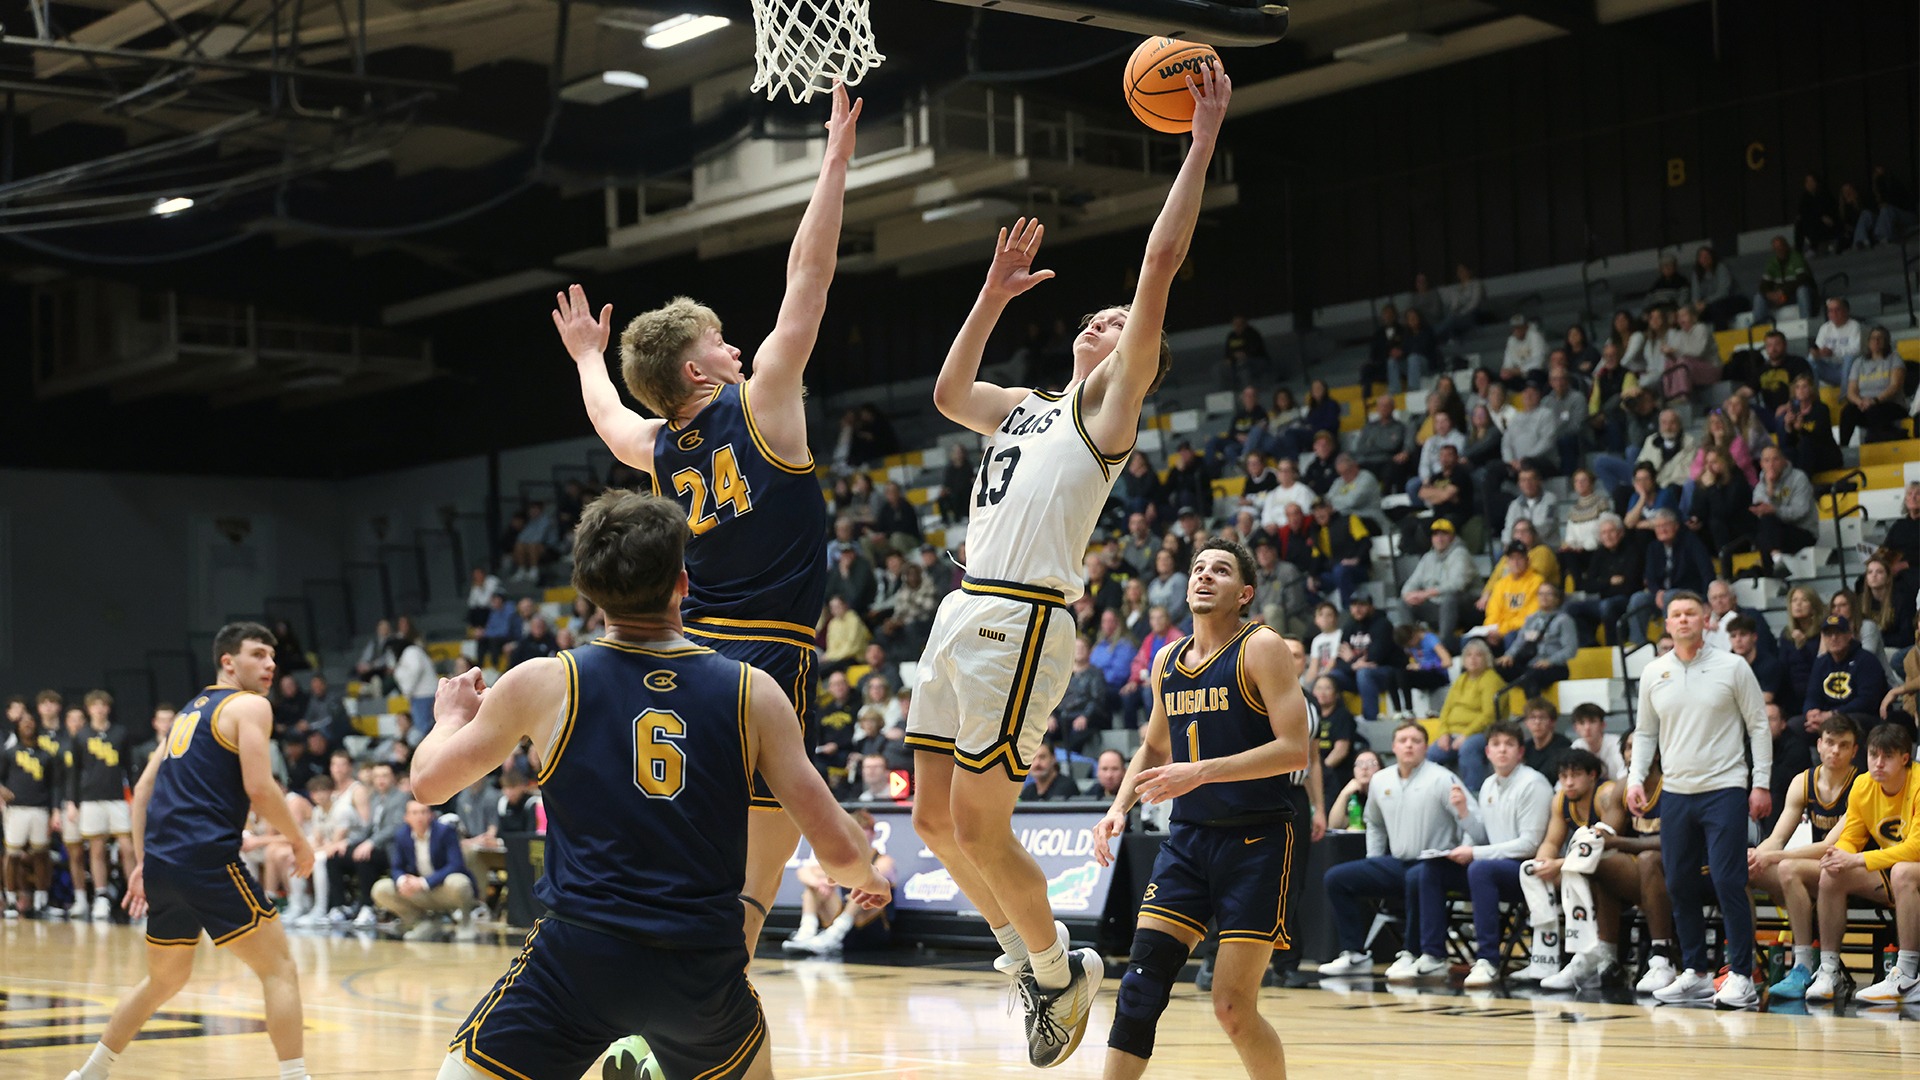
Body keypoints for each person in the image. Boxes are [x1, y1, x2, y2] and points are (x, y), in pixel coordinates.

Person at [910, 67, 1232, 1068]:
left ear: (1134, 355)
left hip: (1023, 618)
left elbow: (1161, 262)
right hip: (961, 613)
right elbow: (948, 389)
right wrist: (992, 294)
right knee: (929, 818)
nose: (1102, 324)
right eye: (1093, 320)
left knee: (977, 815)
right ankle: (1035, 971)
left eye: (1116, 325)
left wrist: (1202, 139)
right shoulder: (1022, 407)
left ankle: (1057, 967)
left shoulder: (1105, 413)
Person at [409, 491, 890, 1080]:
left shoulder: (544, 682)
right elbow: (838, 852)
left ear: (585, 589)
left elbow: (429, 785)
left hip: (580, 957)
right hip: (700, 968)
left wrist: (450, 720)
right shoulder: (753, 692)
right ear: (684, 583)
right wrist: (865, 877)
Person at [551, 85, 862, 962]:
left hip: (689, 656)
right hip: (767, 652)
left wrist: (584, 356)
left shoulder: (657, 448)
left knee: (695, 855)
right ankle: (715, 995)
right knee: (755, 879)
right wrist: (834, 158)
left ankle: (654, 980)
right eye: (722, 342)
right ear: (699, 370)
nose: (737, 347)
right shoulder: (762, 401)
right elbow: (811, 277)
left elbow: (607, 416)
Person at [1091, 538, 1311, 1079]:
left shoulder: (1262, 647)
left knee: (1232, 1007)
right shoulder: (1166, 659)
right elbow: (1154, 745)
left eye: (1220, 570)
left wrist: (1202, 770)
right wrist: (1120, 805)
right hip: (1188, 840)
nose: (1205, 576)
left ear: (1245, 592)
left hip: (1256, 840)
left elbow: (1295, 748)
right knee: (1139, 990)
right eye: (1197, 569)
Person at [63, 623, 316, 1080]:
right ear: (227, 662)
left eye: (272, 657)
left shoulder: (187, 713)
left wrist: (143, 862)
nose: (270, 664)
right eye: (258, 654)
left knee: (164, 980)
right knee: (279, 968)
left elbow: (142, 789)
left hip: (163, 863)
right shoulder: (250, 706)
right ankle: (296, 1077)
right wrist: (298, 840)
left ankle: (89, 1074)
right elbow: (259, 787)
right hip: (207, 859)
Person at [1628, 590, 1772, 1009]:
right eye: (1676, 615)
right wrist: (1636, 779)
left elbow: (1758, 727)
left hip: (1724, 788)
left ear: (1707, 620)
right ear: (1667, 624)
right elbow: (1646, 733)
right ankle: (1695, 972)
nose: (1684, 620)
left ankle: (1742, 976)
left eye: (1692, 613)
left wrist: (1759, 783)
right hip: (1675, 792)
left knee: (1729, 880)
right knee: (1678, 882)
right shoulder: (1654, 672)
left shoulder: (1733, 666)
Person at [1318, 722, 1466, 977]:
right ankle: (1355, 954)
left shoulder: (1442, 778)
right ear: (1394, 747)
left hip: (1436, 864)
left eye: (1416, 740)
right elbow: (1374, 822)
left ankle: (1411, 952)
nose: (1409, 745)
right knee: (1336, 878)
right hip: (1398, 862)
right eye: (1403, 740)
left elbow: (1467, 818)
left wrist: (1464, 851)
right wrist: (1373, 860)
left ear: (1425, 747)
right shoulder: (1380, 780)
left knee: (1417, 876)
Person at [1417, 721, 1553, 988]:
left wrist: (1475, 853)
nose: (1502, 750)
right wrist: (1464, 813)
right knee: (1430, 870)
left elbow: (1529, 844)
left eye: (1509, 745)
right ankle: (1432, 954)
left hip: (1529, 871)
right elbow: (1482, 836)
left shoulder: (1533, 784)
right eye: (1496, 745)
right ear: (1487, 752)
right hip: (1494, 868)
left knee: (1480, 869)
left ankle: (1487, 960)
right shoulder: (1489, 784)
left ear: (1520, 752)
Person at [1803, 722, 1920, 1003]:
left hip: (1908, 867)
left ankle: (1905, 973)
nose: (1878, 764)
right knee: (1833, 873)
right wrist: (1839, 855)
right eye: (1873, 755)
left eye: (1887, 757)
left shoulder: (1918, 783)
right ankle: (1829, 970)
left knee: (1903, 871)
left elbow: (1916, 848)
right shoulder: (1862, 785)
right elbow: (1851, 838)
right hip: (1890, 869)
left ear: (1905, 759)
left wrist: (1856, 858)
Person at [1752, 715, 1859, 999]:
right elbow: (1777, 837)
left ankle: (1803, 964)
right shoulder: (1803, 781)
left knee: (1788, 868)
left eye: (1844, 745)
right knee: (1744, 870)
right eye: (1831, 743)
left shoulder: (1861, 784)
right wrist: (1755, 856)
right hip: (1813, 869)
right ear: (1819, 745)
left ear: (1854, 751)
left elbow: (1830, 846)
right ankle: (1745, 965)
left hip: (1852, 867)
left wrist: (1773, 856)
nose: (1835, 750)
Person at [70, 691, 136, 920]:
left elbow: (129, 767)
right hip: (90, 799)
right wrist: (72, 802)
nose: (99, 709)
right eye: (94, 706)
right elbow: (75, 772)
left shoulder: (120, 733)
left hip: (117, 798)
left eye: (103, 705)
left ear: (108, 708)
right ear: (89, 710)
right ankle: (101, 896)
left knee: (127, 847)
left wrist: (134, 797)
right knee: (96, 849)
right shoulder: (81, 736)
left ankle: (135, 894)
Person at [370, 800, 474, 940]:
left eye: (423, 812)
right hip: (418, 890)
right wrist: (403, 881)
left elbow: (456, 865)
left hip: (442, 887)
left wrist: (424, 882)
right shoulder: (401, 835)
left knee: (459, 882)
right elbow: (396, 867)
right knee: (381, 889)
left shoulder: (445, 832)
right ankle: (422, 923)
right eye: (414, 813)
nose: (419, 817)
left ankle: (466, 922)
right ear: (406, 817)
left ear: (431, 815)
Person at [1, 712, 63, 918]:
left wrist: (55, 811)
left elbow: (55, 786)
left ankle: (41, 902)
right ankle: (11, 901)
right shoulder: (9, 753)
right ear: (17, 728)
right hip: (16, 810)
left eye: (31, 722)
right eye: (23, 722)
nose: (28, 725)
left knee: (42, 855)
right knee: (12, 855)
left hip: (40, 810)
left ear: (37, 726)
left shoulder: (46, 755)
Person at [1429, 639, 1501, 792]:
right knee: (1430, 754)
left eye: (1478, 655)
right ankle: (1435, 793)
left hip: (1481, 732)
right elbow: (1446, 710)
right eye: (1468, 655)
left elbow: (1489, 715)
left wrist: (1465, 735)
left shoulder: (1490, 679)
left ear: (1486, 659)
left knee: (1468, 748)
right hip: (1453, 734)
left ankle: (1473, 793)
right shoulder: (1461, 679)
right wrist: (1443, 733)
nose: (1473, 659)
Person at [1398, 518, 1474, 645]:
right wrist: (1409, 595)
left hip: (1464, 605)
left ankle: (1443, 644)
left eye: (1444, 534)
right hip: (1436, 606)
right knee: (1403, 603)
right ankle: (1412, 644)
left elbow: (1458, 585)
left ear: (1452, 537)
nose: (1439, 538)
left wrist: (1426, 594)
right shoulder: (1428, 557)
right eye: (1435, 534)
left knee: (1449, 599)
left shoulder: (1460, 554)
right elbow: (1412, 582)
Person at [1751, 235, 1816, 327]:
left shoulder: (1796, 257)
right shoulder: (1772, 262)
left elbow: (1803, 279)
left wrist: (1783, 292)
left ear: (1786, 246)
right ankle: (1758, 328)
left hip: (1797, 295)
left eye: (1781, 246)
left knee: (1802, 290)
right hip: (1781, 297)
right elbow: (1763, 285)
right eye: (1776, 248)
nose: (1779, 250)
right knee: (1759, 297)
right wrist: (1770, 295)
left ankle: (1805, 323)